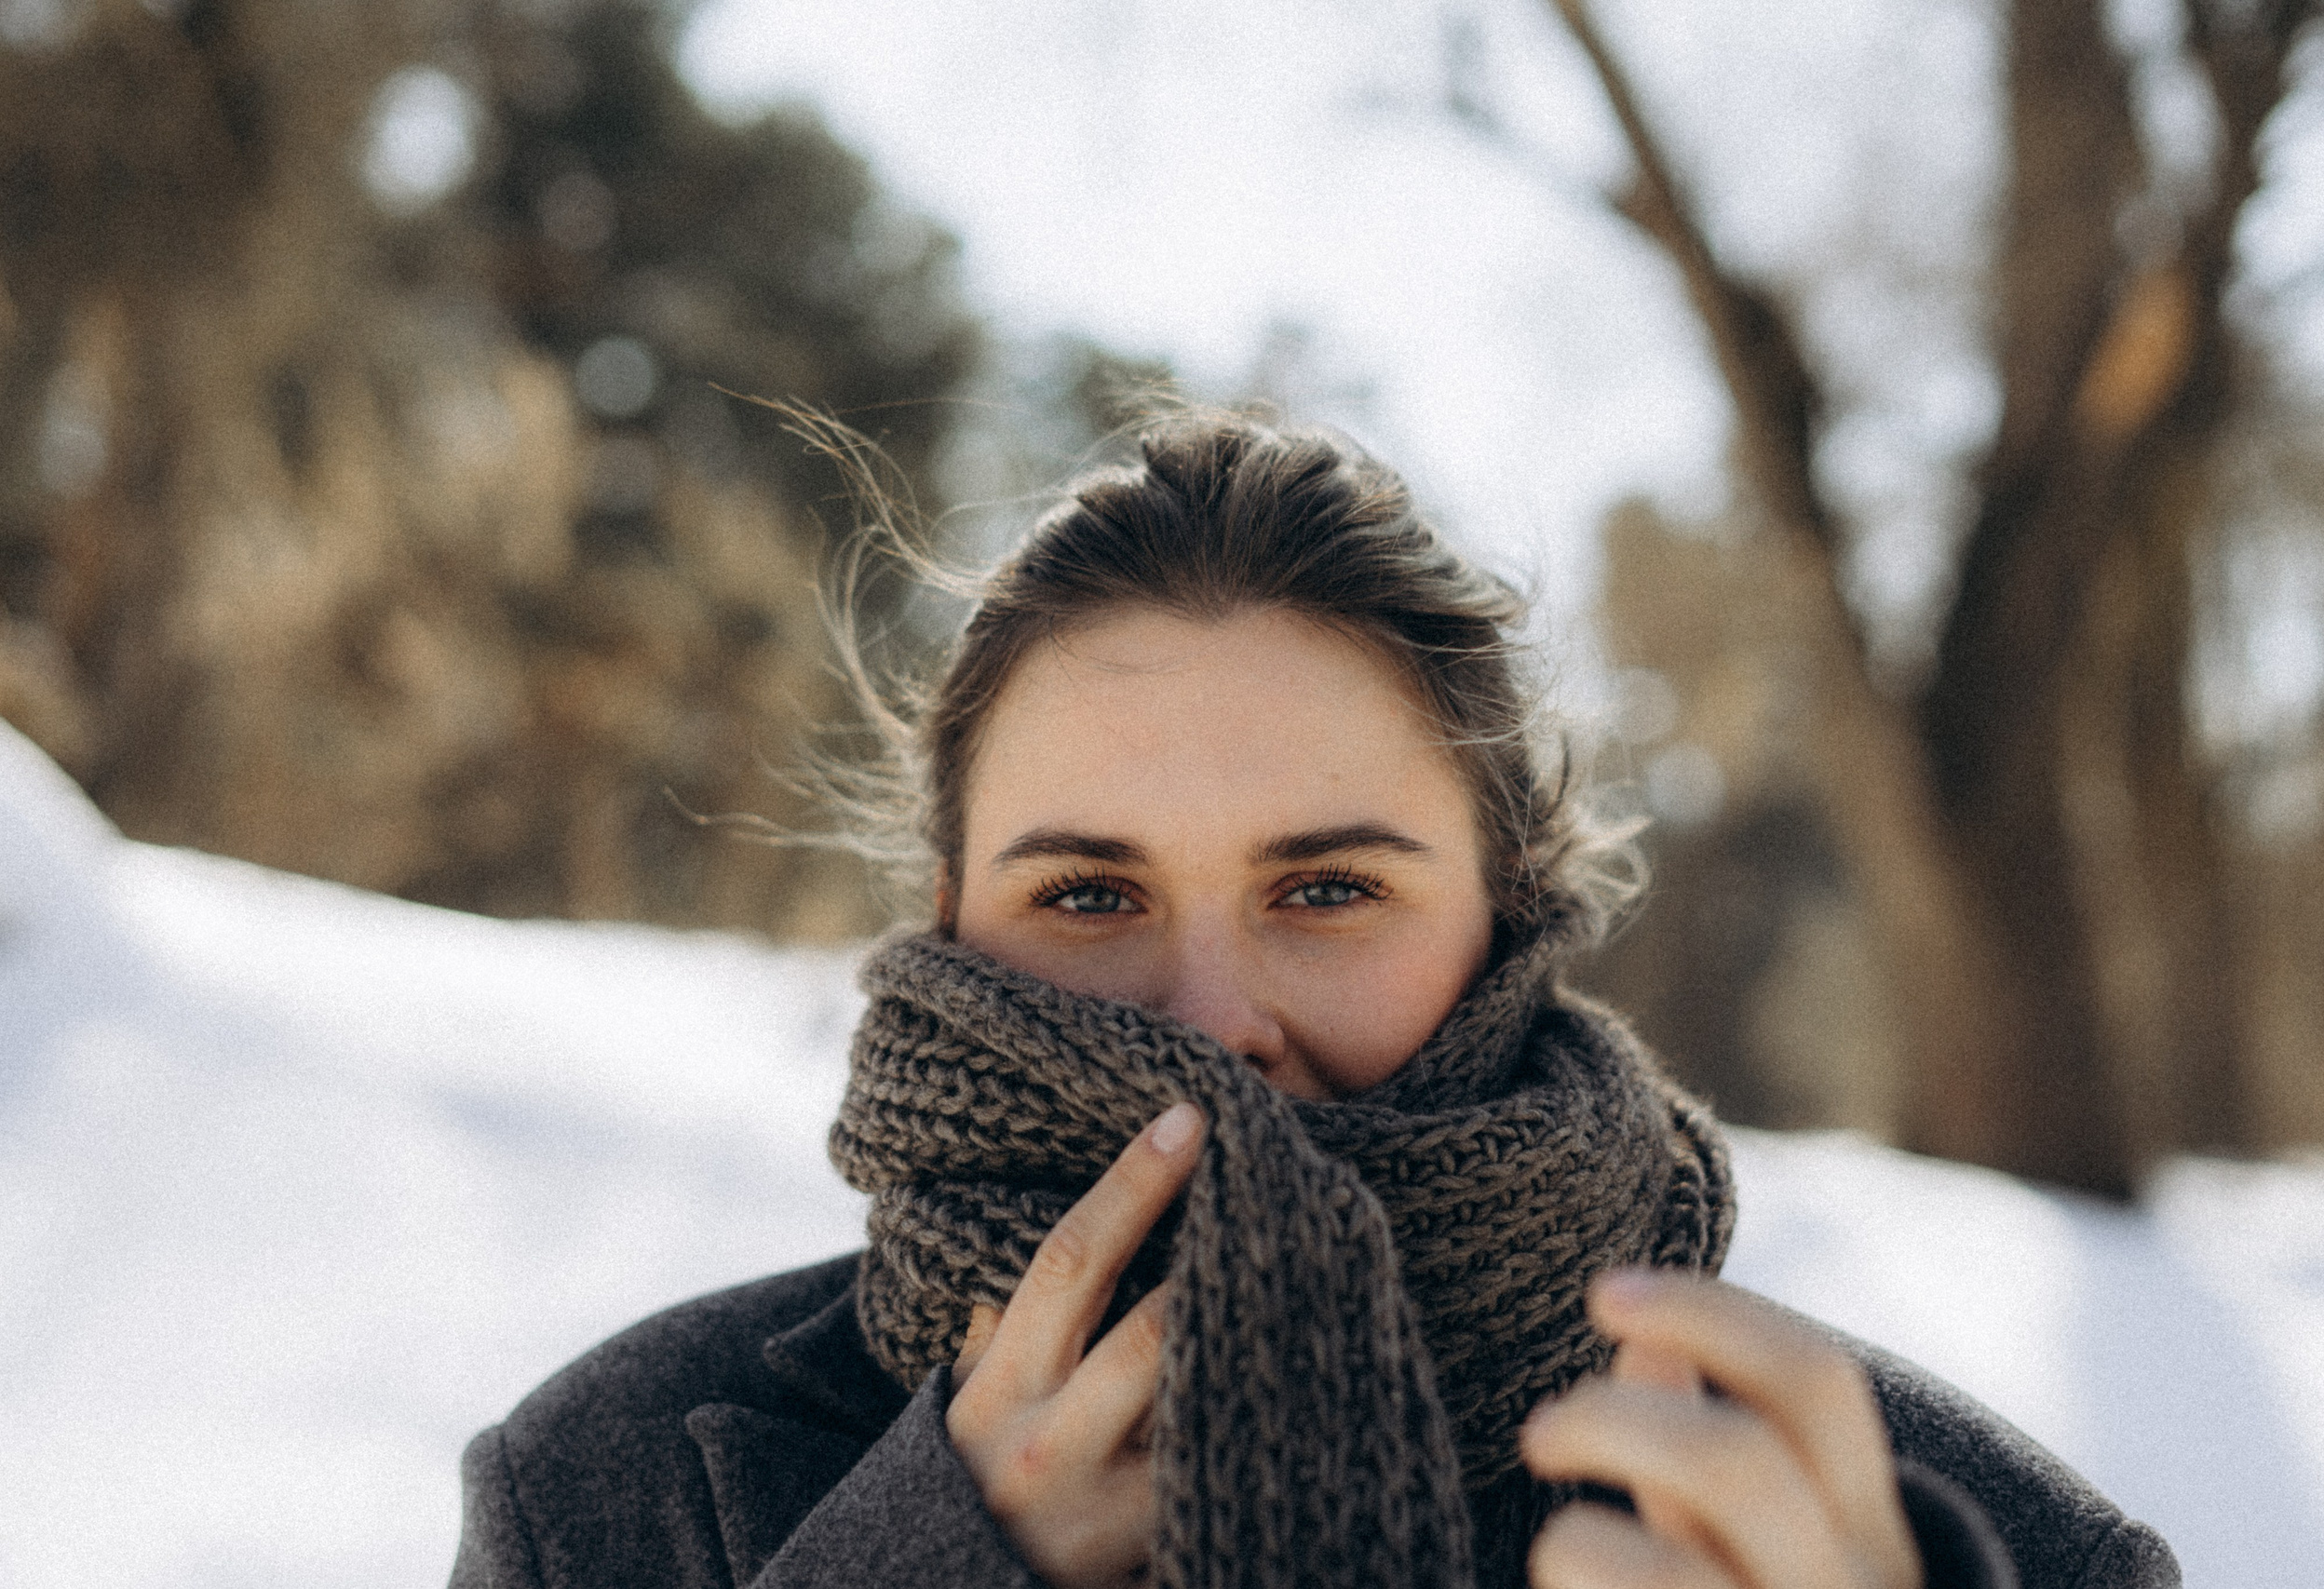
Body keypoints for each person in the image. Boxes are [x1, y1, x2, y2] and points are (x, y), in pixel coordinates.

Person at [448, 415, 2178, 1589]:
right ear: (950, 927)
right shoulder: (608, 1494)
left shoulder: (1958, 1543)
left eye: (1330, 891)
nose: (1213, 1019)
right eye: (1090, 895)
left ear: (1506, 921)